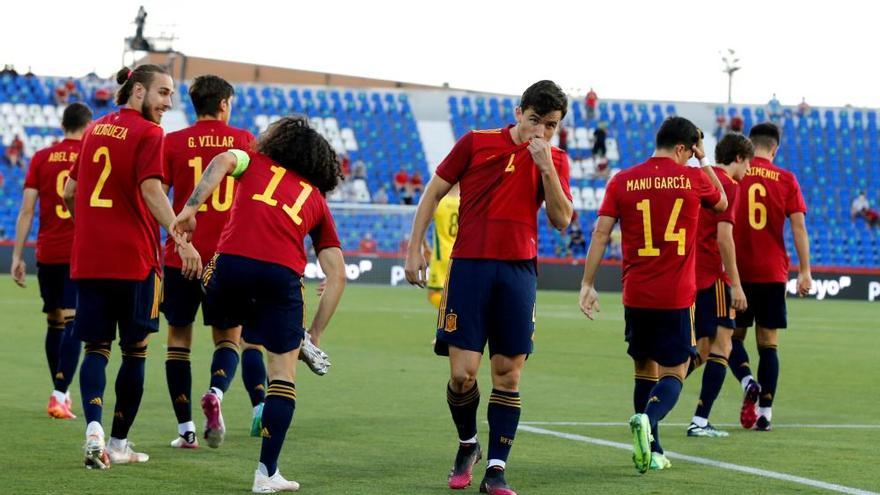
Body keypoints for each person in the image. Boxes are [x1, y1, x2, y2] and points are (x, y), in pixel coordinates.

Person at [405, 80, 573, 495]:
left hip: (517, 273)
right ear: (519, 112)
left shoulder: (556, 160)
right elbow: (434, 190)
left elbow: (562, 219)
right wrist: (414, 247)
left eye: (550, 125)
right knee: (463, 375)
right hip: (469, 269)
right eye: (535, 120)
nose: (541, 132)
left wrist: (547, 167)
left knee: (507, 375)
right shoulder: (476, 143)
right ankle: (468, 445)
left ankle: (496, 469)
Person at [172, 116, 346, 493]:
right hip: (282, 276)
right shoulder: (315, 199)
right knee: (282, 375)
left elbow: (221, 161)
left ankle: (218, 385)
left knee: (228, 332)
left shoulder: (255, 160)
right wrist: (312, 335)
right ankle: (266, 473)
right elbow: (338, 275)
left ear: (279, 143)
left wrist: (190, 208)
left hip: (231, 267)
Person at [62, 64, 202, 469]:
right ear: (137, 91)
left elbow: (71, 193)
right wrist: (180, 237)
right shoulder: (149, 133)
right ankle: (119, 444)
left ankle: (93, 429)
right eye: (163, 93)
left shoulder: (93, 131)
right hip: (135, 261)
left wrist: (91, 228)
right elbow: (151, 189)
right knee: (136, 351)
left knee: (96, 348)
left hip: (90, 259)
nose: (169, 103)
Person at [579, 117, 727, 473]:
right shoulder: (692, 178)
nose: (692, 158)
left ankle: (654, 448)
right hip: (675, 296)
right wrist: (704, 161)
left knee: (644, 369)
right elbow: (721, 202)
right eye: (691, 151)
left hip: (636, 294)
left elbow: (600, 234)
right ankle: (647, 420)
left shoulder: (622, 180)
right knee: (675, 372)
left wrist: (588, 283)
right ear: (682, 148)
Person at [160, 74, 263, 450]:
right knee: (228, 338)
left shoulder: (172, 142)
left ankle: (186, 429)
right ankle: (216, 393)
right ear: (224, 103)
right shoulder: (245, 141)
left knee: (178, 341)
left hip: (181, 254)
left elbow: (160, 196)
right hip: (228, 258)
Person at [11, 102, 93, 420]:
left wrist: (18, 254)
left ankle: (61, 390)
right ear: (87, 127)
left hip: (47, 251)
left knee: (54, 321)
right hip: (79, 250)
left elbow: (27, 209)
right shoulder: (90, 154)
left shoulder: (42, 157)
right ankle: (59, 393)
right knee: (73, 322)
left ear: (62, 126)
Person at [730, 122, 811, 431]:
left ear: (748, 146)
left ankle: (747, 379)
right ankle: (765, 413)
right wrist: (804, 271)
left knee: (733, 338)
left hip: (737, 272)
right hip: (772, 273)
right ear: (775, 149)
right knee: (769, 344)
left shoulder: (736, 175)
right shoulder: (787, 179)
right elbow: (798, 227)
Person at [686, 133, 754, 438]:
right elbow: (724, 238)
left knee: (703, 347)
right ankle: (699, 420)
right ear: (738, 158)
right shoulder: (729, 185)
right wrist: (736, 285)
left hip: (691, 270)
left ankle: (655, 395)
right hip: (713, 274)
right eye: (748, 163)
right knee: (723, 344)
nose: (748, 171)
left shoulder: (700, 176)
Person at [425, 183, 460, 309]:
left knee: (433, 293)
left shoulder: (439, 201)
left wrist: (425, 246)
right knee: (457, 293)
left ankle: (453, 315)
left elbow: (422, 222)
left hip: (442, 255)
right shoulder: (466, 201)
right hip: (461, 254)